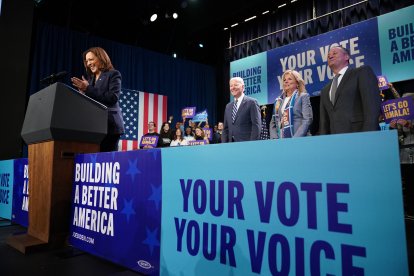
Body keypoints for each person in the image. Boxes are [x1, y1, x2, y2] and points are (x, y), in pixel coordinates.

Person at [71, 46, 124, 152]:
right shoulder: (90, 80)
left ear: (101, 58)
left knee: (106, 161)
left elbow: (112, 97)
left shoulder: (113, 74)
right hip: (94, 127)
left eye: (91, 59)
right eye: (87, 61)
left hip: (110, 126)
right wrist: (83, 94)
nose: (88, 63)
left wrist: (88, 89)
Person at [319, 46, 381, 134]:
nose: (330, 56)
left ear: (346, 57)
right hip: (335, 142)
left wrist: (368, 136)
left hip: (360, 137)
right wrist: (323, 142)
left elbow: (372, 107)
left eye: (335, 53)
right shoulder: (325, 90)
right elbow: (324, 123)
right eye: (328, 55)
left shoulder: (362, 72)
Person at [269, 70, 313, 138]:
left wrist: (295, 139)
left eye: (289, 79)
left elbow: (307, 120)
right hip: (282, 141)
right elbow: (273, 123)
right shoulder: (278, 101)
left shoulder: (303, 97)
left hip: (300, 139)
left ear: (297, 83)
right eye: (284, 80)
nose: (286, 81)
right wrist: (275, 139)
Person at [222, 77, 261, 142]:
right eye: (231, 86)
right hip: (230, 147)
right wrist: (224, 145)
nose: (233, 87)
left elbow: (256, 125)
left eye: (236, 85)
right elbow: (226, 129)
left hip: (246, 145)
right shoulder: (228, 106)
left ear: (243, 87)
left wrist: (252, 144)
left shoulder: (252, 102)